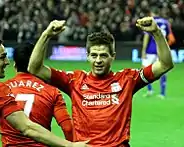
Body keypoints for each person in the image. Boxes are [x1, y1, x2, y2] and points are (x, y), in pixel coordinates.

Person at [27, 17, 174, 146]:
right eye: (94, 55)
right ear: (88, 56)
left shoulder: (127, 79)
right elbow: (35, 68)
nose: (98, 60)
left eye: (103, 55)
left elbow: (165, 64)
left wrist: (156, 33)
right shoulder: (74, 81)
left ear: (113, 57)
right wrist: (46, 35)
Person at [0, 38, 89, 147]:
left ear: (16, 65)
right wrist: (70, 145)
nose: (7, 62)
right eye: (2, 58)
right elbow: (27, 127)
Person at [0, 42, 73, 146]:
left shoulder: (1, 89)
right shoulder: (52, 91)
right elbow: (68, 128)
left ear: (15, 65)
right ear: (38, 62)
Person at [141, 8, 176, 98]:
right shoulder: (166, 22)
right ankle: (162, 93)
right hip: (162, 49)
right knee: (164, 70)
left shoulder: (150, 21)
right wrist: (166, 46)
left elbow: (146, 37)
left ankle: (150, 90)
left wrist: (143, 50)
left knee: (144, 70)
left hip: (151, 50)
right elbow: (171, 38)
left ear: (151, 13)